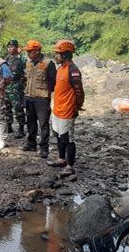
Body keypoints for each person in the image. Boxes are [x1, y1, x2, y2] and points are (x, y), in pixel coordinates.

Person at [46, 40, 84, 176]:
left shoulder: (73, 70)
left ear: (66, 55)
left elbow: (79, 92)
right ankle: (61, 159)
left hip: (67, 111)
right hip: (57, 109)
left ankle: (70, 166)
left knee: (68, 138)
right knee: (58, 135)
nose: (55, 56)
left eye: (58, 54)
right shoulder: (60, 68)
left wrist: (76, 107)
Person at [20, 40, 56, 158]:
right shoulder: (28, 63)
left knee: (43, 124)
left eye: (30, 51)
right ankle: (31, 143)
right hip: (29, 97)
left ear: (37, 51)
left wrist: (46, 94)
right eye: (28, 51)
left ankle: (44, 148)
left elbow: (53, 82)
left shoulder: (48, 63)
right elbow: (26, 78)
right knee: (30, 122)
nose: (28, 53)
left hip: (42, 99)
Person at [5, 40, 26, 139]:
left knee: (18, 108)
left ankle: (21, 128)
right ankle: (9, 126)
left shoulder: (21, 59)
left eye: (12, 46)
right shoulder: (6, 59)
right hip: (7, 87)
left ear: (17, 47)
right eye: (8, 47)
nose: (10, 48)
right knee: (7, 107)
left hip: (17, 87)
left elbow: (26, 73)